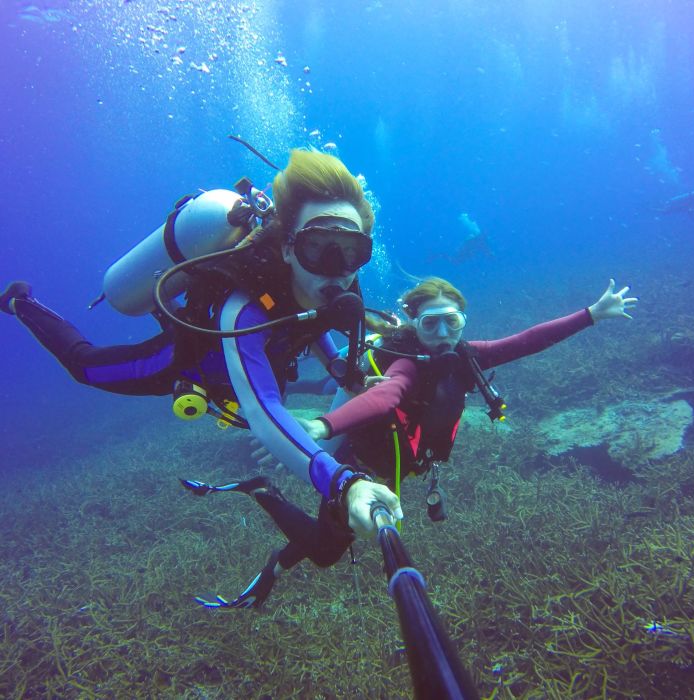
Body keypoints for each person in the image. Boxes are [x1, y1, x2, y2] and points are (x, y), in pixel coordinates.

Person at [1, 149, 403, 582]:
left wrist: (339, 361)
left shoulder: (338, 284)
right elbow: (263, 411)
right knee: (85, 368)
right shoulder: (242, 312)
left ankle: (165, 297)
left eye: (351, 251)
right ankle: (21, 302)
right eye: (317, 247)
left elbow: (309, 320)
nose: (337, 269)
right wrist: (344, 482)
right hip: (187, 361)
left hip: (260, 353)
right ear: (288, 248)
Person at [182, 275, 637, 609]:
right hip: (360, 469)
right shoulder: (407, 364)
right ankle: (264, 491)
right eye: (431, 325)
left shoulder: (467, 357)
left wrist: (591, 315)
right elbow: (386, 395)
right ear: (415, 325)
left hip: (396, 468)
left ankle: (273, 564)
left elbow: (525, 341)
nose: (442, 336)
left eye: (451, 323)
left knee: (329, 541)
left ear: (463, 322)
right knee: (325, 551)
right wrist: (324, 427)